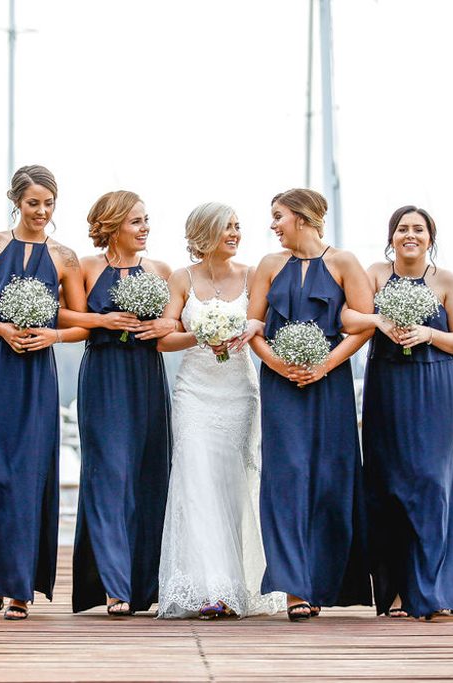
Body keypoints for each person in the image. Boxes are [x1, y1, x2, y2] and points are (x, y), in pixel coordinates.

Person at [0, 164, 88, 621]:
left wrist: (52, 335)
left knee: (27, 471)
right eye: (33, 203)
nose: (41, 211)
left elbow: (81, 321)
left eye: (49, 204)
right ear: (16, 202)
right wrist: (1, 329)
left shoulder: (65, 257)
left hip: (35, 372)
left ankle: (20, 587)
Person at [343, 205, 453, 619]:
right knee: (390, 486)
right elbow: (348, 317)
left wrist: (429, 333)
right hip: (387, 385)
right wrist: (379, 321)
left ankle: (436, 590)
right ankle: (400, 593)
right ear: (391, 237)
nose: (410, 235)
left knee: (432, 484)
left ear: (430, 237)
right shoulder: (374, 274)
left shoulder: (446, 280)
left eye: (418, 229)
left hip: (435, 386)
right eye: (402, 229)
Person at [246, 188, 374, 621]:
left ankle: (323, 580)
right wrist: (279, 366)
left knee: (328, 478)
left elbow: (362, 326)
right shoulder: (267, 265)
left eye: (278, 216)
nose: (273, 225)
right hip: (279, 386)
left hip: (330, 384)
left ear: (302, 217)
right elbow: (255, 328)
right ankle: (294, 588)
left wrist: (324, 365)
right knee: (285, 477)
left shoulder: (344, 263)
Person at [155, 202, 285, 619]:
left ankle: (237, 587)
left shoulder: (252, 276)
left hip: (237, 391)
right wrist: (198, 336)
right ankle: (209, 586)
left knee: (233, 482)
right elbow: (163, 338)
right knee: (195, 479)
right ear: (205, 233)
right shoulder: (181, 278)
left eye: (237, 227)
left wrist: (245, 332)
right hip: (194, 390)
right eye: (227, 227)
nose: (235, 234)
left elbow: (261, 324)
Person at [58, 190, 176, 616]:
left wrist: (166, 322)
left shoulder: (160, 269)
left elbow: (177, 320)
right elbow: (62, 315)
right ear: (112, 226)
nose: (145, 229)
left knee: (148, 474)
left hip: (146, 375)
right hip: (104, 375)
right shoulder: (85, 267)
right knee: (108, 475)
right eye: (137, 222)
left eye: (147, 220)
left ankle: (147, 583)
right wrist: (100, 320)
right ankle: (114, 586)